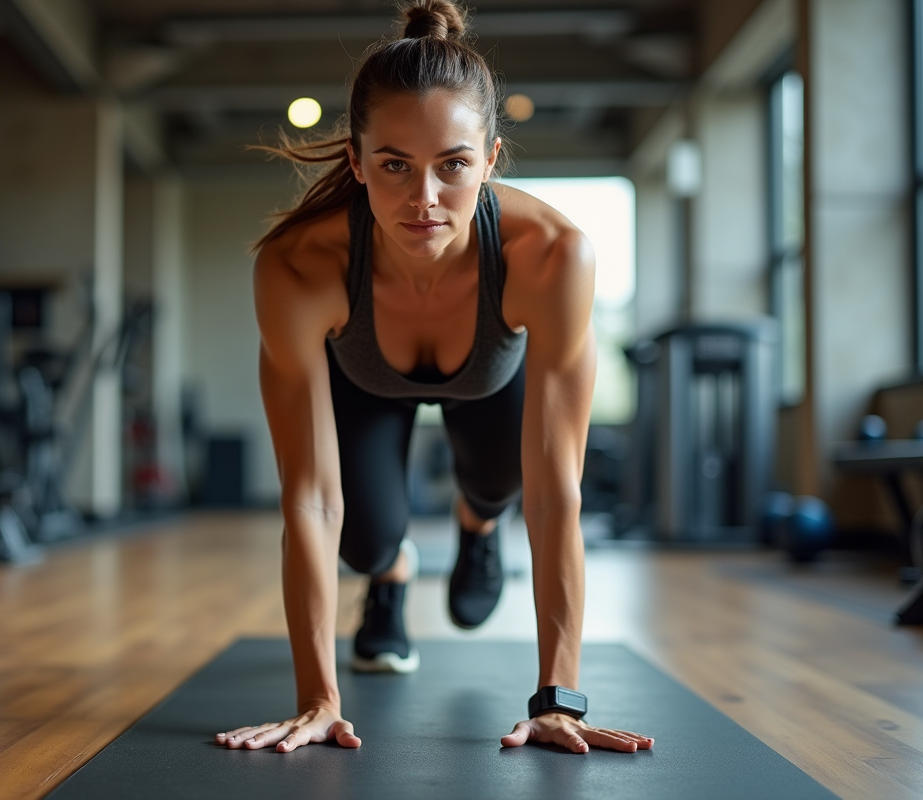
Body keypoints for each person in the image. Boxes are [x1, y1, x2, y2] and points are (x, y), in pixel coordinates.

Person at [215, 0, 654, 757]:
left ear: (489, 159)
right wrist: (319, 697)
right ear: (357, 162)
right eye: (394, 165)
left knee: (503, 487)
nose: (424, 200)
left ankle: (476, 524)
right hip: (366, 380)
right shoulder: (298, 266)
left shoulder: (551, 255)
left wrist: (559, 701)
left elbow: (556, 494)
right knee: (363, 539)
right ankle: (392, 575)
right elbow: (311, 498)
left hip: (490, 381)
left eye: (452, 165)